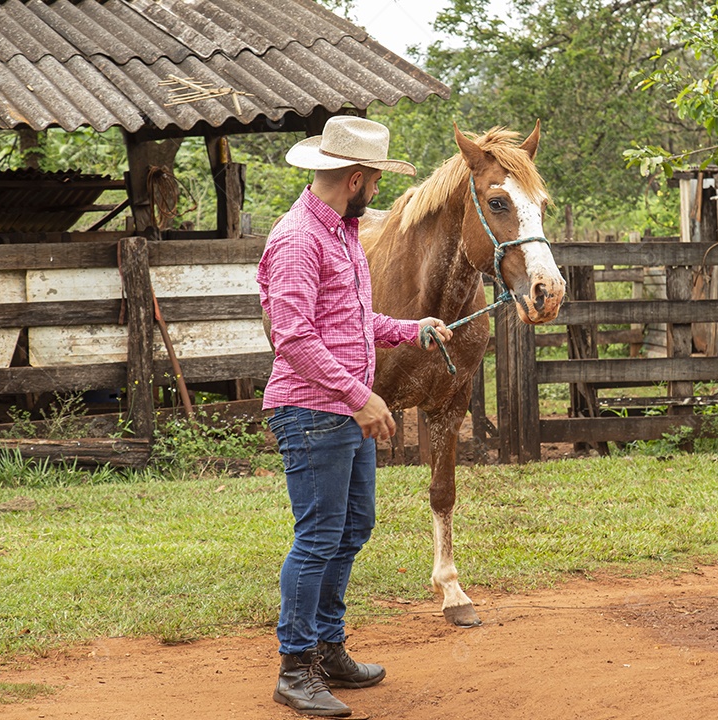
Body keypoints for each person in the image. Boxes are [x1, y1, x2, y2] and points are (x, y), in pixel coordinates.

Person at [256, 115, 452, 717]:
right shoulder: (296, 240)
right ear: (359, 178)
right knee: (317, 539)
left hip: (344, 409)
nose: (379, 194)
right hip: (313, 411)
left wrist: (410, 330)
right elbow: (292, 336)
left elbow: (351, 322)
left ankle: (328, 647)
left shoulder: (342, 232)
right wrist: (361, 397)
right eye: (377, 182)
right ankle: (296, 668)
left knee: (352, 528)